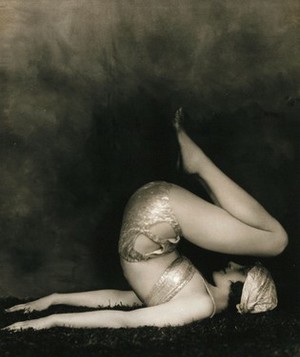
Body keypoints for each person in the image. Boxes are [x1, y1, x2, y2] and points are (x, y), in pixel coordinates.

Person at [4, 108, 288, 331]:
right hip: (151, 216)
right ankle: (197, 165)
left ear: (244, 290)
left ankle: (199, 165)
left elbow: (125, 318)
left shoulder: (200, 304)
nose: (235, 262)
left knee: (276, 240)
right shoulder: (197, 294)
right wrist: (56, 299)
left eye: (244, 269)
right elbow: (123, 298)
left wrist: (49, 320)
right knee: (272, 238)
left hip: (156, 212)